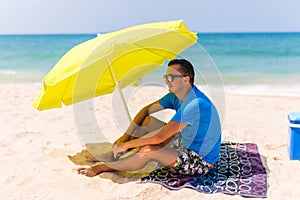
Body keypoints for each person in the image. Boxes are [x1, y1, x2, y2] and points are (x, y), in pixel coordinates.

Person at [77, 59, 222, 177]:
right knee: (146, 122)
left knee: (148, 150)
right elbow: (145, 111)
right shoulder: (176, 96)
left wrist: (128, 145)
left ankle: (104, 167)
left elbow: (159, 138)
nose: (167, 81)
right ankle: (112, 155)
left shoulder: (195, 104)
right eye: (165, 77)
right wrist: (124, 138)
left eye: (171, 77)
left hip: (200, 160)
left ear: (186, 79)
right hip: (184, 141)